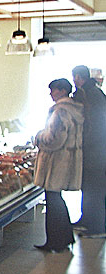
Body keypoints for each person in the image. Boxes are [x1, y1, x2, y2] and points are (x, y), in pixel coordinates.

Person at [33, 78, 84, 252]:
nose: (51, 94)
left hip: (57, 162)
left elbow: (54, 139)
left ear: (62, 91)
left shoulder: (60, 111)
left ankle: (55, 241)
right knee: (57, 201)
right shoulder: (75, 109)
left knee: (53, 202)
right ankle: (65, 238)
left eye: (53, 90)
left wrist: (38, 137)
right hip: (66, 161)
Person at [72, 65, 106, 235]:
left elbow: (94, 123)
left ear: (79, 77)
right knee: (87, 187)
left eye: (74, 77)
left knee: (94, 189)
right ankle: (86, 219)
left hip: (96, 151)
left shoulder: (92, 95)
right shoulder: (90, 93)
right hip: (94, 149)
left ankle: (97, 227)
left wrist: (86, 141)